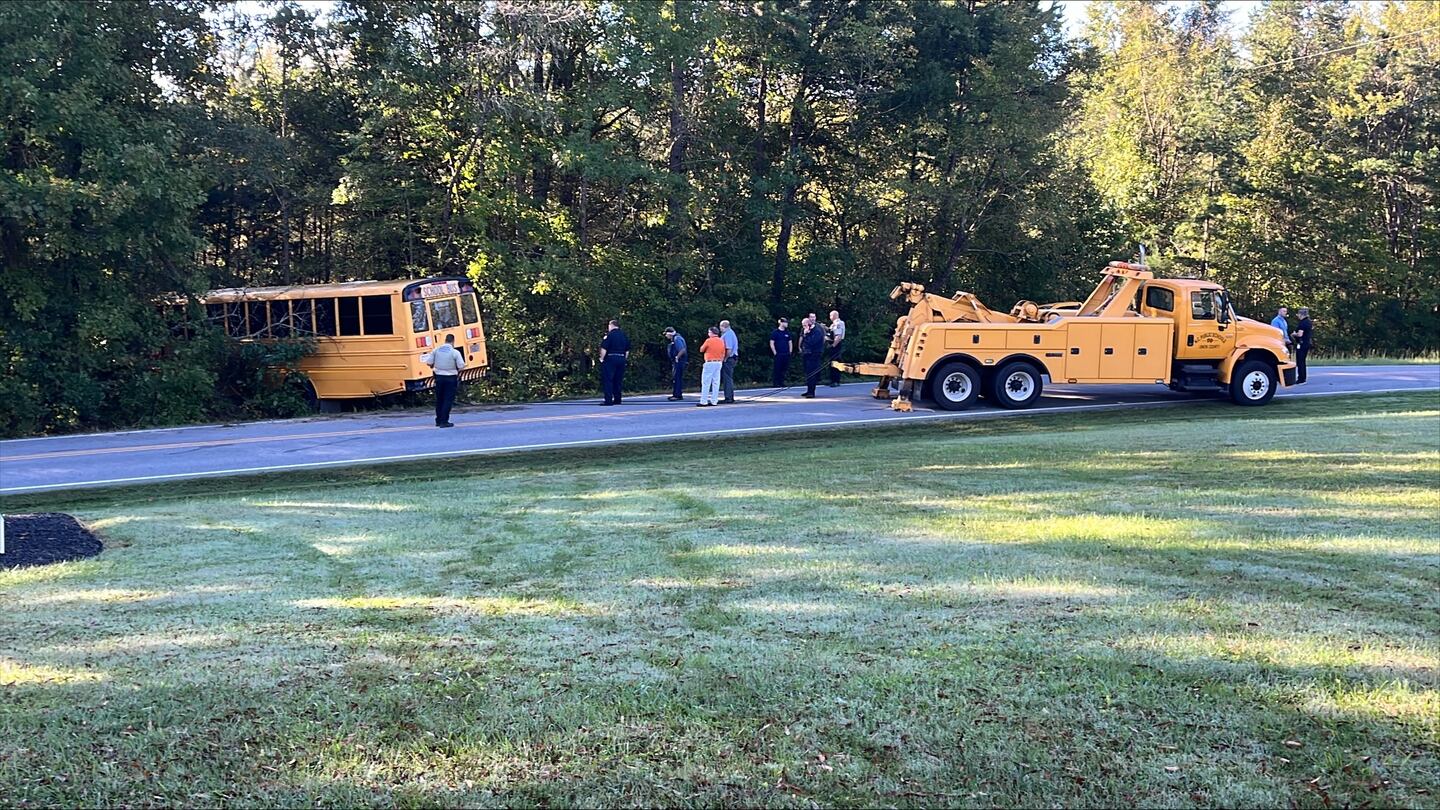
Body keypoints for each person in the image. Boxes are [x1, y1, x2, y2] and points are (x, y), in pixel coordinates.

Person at [423, 333, 466, 427]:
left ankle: (438, 420)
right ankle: (444, 421)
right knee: (447, 400)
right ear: (453, 341)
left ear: (445, 340)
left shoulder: (436, 350)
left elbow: (429, 363)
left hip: (438, 377)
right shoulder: (455, 352)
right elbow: (461, 366)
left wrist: (434, 366)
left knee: (440, 399)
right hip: (450, 378)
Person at [599, 319, 630, 405]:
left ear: (611, 325)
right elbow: (627, 351)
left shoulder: (609, 335)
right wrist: (624, 359)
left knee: (608, 379)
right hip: (621, 358)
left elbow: (604, 348)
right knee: (618, 380)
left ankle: (608, 400)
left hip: (610, 358)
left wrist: (602, 358)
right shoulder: (624, 336)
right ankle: (617, 399)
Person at [697, 327, 726, 406]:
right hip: (719, 362)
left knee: (706, 382)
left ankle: (704, 401)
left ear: (712, 333)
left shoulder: (709, 340)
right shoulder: (721, 341)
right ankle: (714, 401)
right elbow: (723, 352)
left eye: (709, 332)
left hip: (710, 362)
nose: (708, 334)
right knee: (716, 382)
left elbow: (701, 349)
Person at [800, 316, 826, 398]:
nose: (803, 328)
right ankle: (808, 390)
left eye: (804, 325)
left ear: (809, 324)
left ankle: (811, 392)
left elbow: (811, 342)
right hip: (807, 354)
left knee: (812, 373)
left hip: (814, 355)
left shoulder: (817, 331)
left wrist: (806, 334)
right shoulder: (808, 331)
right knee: (808, 373)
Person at [664, 327, 687, 400]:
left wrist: (677, 357)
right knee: (676, 378)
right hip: (677, 362)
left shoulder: (677, 339)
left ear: (669, 333)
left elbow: (682, 349)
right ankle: (677, 394)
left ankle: (677, 395)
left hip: (679, 362)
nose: (666, 336)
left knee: (677, 378)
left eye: (666, 334)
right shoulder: (676, 338)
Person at [719, 319, 739, 404]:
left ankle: (729, 397)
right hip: (731, 357)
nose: (720, 328)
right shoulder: (730, 333)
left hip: (729, 358)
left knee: (727, 378)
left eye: (720, 327)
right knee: (728, 377)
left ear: (724, 326)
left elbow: (729, 349)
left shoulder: (728, 335)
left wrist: (725, 358)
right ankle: (729, 396)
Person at [1291, 307, 1313, 384]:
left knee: (1300, 361)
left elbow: (1300, 334)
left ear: (1301, 314)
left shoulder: (1303, 323)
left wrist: (1294, 334)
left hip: (1302, 343)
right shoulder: (1309, 322)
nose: (1298, 316)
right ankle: (1302, 377)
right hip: (1306, 343)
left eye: (1298, 314)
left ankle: (1301, 378)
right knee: (1302, 361)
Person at [769, 317, 792, 387]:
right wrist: (774, 352)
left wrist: (790, 351)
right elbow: (771, 342)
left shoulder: (787, 333)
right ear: (781, 323)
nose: (786, 324)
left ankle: (782, 382)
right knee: (777, 368)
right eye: (785, 322)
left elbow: (790, 342)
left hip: (786, 353)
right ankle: (776, 383)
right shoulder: (775, 333)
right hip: (778, 353)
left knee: (784, 369)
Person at [827, 309, 846, 387]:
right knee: (831, 363)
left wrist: (833, 345)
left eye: (830, 315)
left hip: (836, 345)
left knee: (835, 363)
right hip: (832, 344)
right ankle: (832, 380)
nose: (830, 317)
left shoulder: (838, 323)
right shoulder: (833, 324)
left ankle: (836, 381)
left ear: (834, 316)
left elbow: (838, 336)